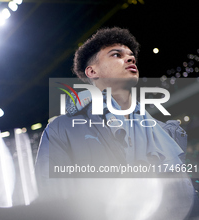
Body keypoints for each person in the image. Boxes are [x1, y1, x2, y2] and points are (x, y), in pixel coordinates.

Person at [35, 27, 187, 179]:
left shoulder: (165, 133)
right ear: (92, 72)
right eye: (116, 55)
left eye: (131, 56)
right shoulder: (62, 129)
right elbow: (53, 196)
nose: (130, 59)